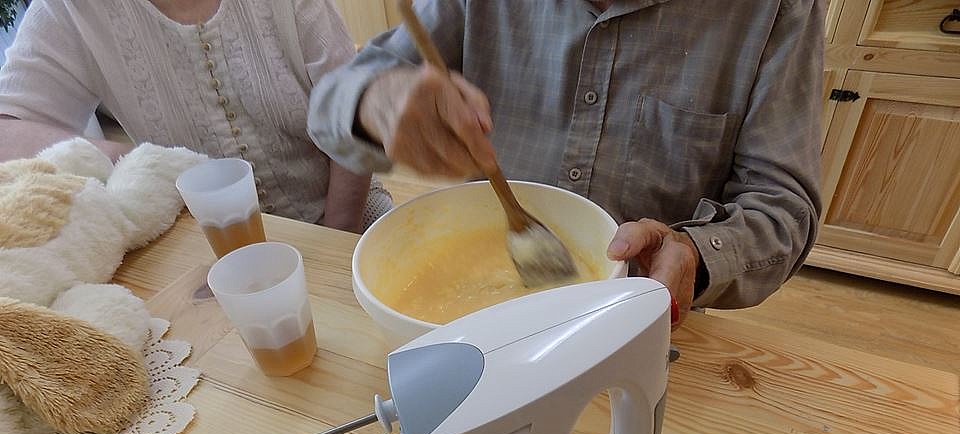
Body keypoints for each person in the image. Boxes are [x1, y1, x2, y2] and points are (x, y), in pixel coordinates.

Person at [308, 0, 824, 323]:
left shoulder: (776, 11)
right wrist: (373, 101)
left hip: (645, 322)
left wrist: (695, 253)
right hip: (475, 331)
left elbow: (783, 209)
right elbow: (329, 105)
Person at [0, 0, 392, 233]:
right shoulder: (73, 11)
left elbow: (355, 113)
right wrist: (135, 161)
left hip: (344, 217)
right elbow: (7, 131)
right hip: (201, 249)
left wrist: (335, 240)